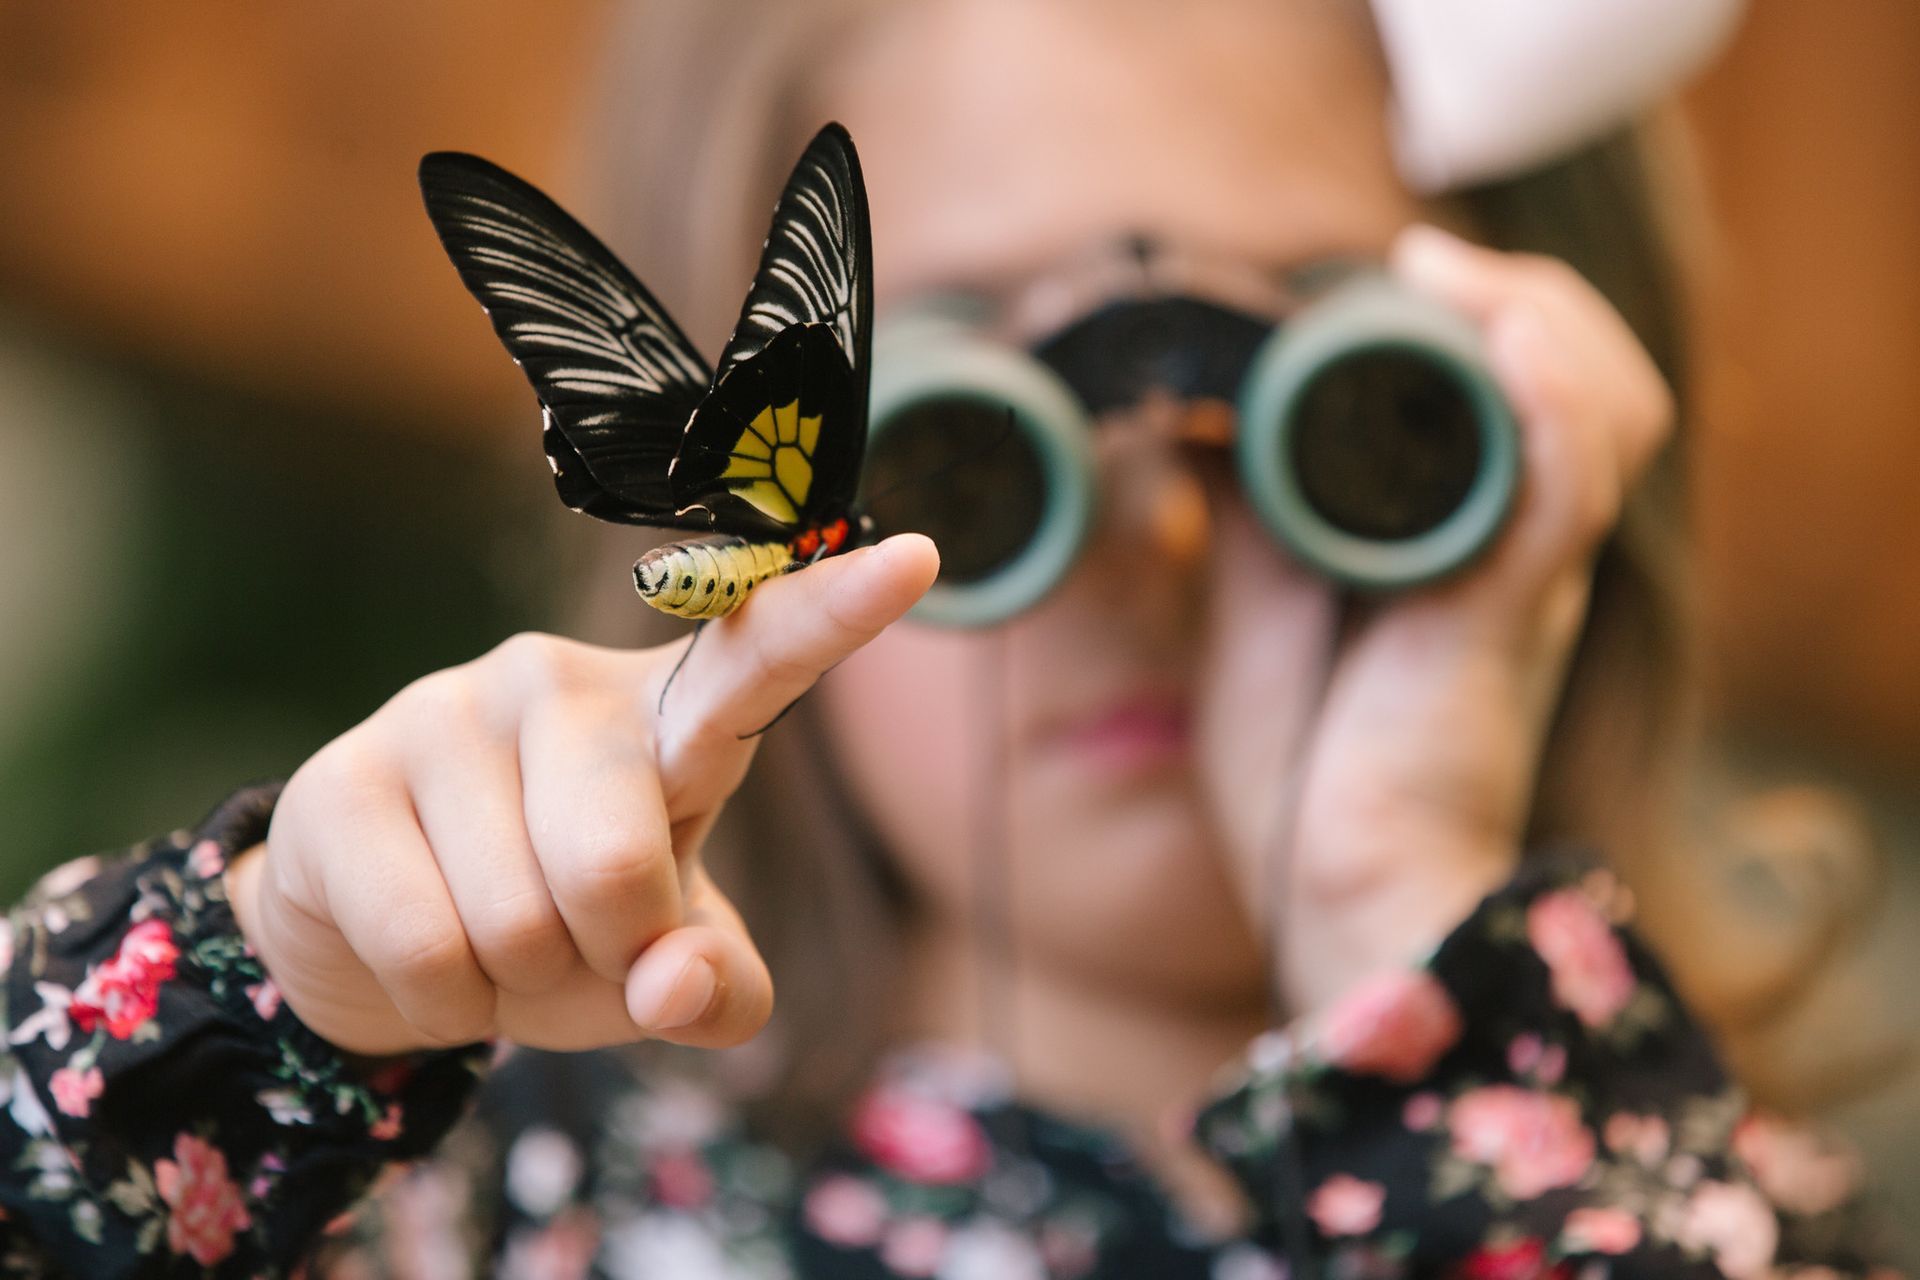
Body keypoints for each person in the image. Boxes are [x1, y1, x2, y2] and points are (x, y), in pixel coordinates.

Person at [0, 0, 1895, 1276]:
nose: (1150, 536)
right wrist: (275, 990)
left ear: (1544, 449)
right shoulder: (487, 1189)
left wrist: (1406, 932)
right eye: (962, 456)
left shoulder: (1715, 1208)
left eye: (1353, 409)